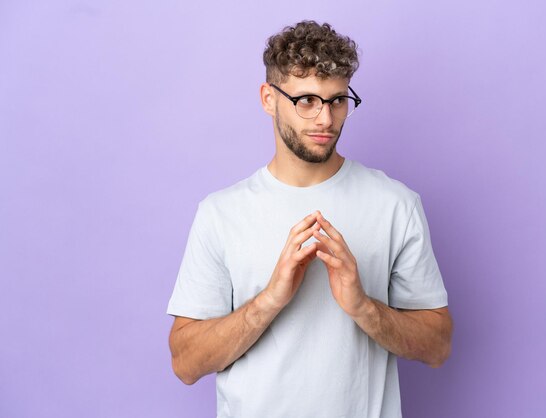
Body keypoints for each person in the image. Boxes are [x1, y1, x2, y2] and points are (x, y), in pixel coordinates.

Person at [166, 20, 453, 418]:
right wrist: (269, 301)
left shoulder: (395, 204)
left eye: (337, 100)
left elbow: (438, 346)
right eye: (307, 100)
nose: (325, 119)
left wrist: (363, 307)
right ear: (269, 98)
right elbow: (185, 363)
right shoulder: (221, 214)